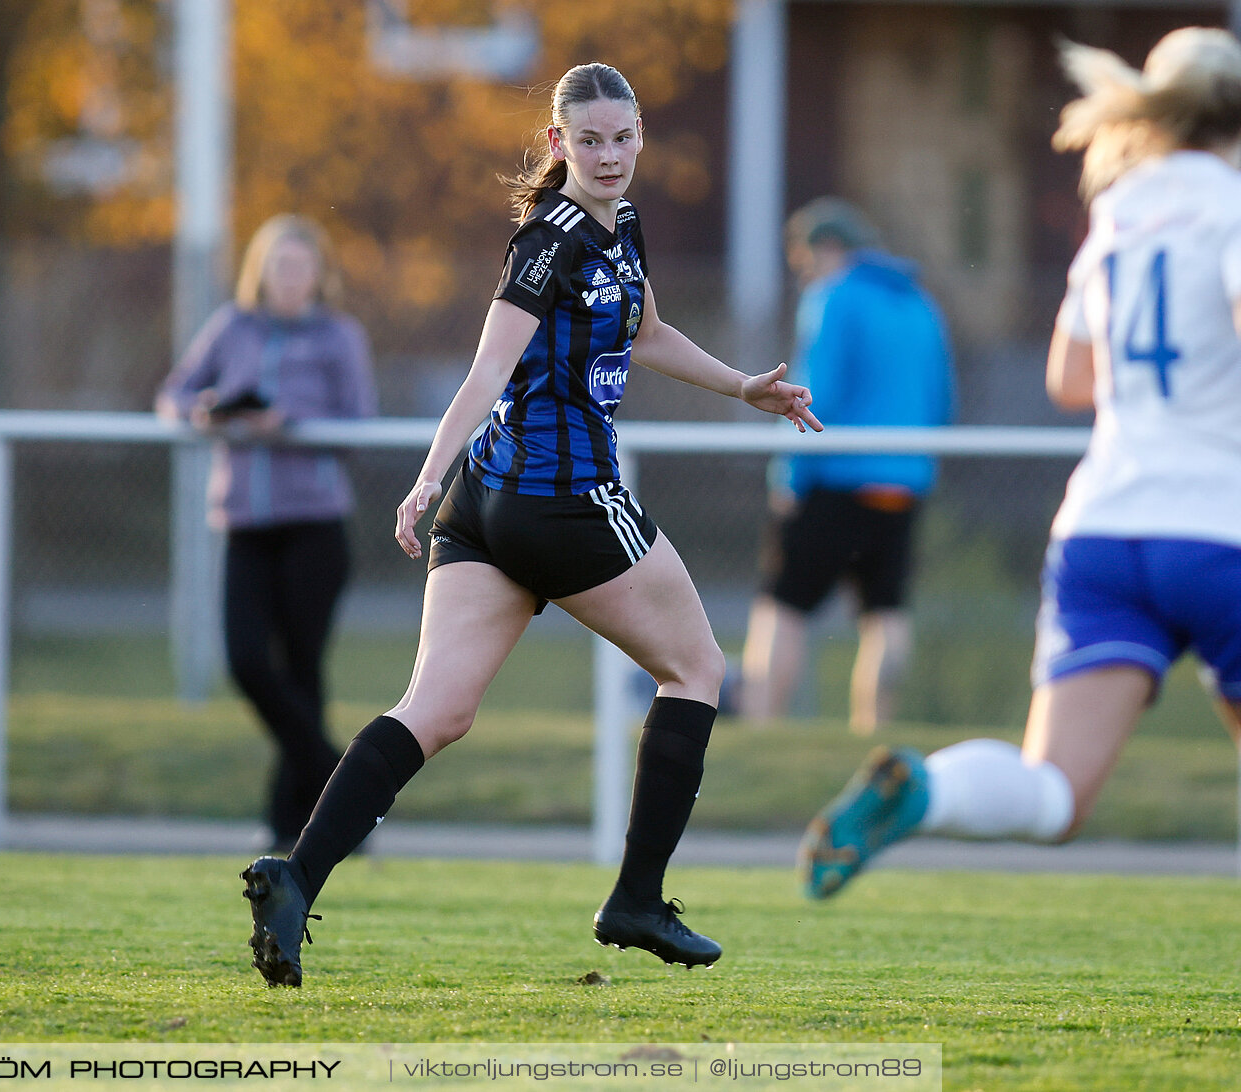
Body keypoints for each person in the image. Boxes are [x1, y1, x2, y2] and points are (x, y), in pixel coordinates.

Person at [239, 62, 822, 987]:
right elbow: (484, 370)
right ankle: (635, 898)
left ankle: (295, 876)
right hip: (560, 498)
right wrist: (424, 476)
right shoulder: (546, 242)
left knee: (437, 710)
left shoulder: (620, 224)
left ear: (639, 136)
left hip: (491, 504)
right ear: (558, 145)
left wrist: (743, 385)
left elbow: (648, 332)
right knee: (700, 668)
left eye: (624, 136)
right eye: (589, 140)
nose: (611, 155)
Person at [800, 27, 1241, 900]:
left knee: (1053, 794)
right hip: (1223, 529)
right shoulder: (1232, 207)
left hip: (1107, 531)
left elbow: (1070, 376)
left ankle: (926, 790)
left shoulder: (1119, 213)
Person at [157, 215, 377, 854]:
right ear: (261, 269)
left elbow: (359, 423)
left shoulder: (339, 336)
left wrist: (293, 424)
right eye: (280, 265)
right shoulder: (232, 326)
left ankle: (291, 829)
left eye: (301, 266)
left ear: (318, 275)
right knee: (249, 662)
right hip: (246, 524)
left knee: (304, 671)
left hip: (314, 525)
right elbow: (174, 393)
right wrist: (204, 413)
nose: (290, 278)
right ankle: (347, 783)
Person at [739, 199, 954, 734]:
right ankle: (872, 735)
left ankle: (761, 731)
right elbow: (942, 399)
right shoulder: (921, 305)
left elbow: (814, 397)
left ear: (828, 249)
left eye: (805, 263)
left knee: (782, 608)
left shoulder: (833, 298)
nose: (805, 276)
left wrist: (787, 479)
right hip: (903, 484)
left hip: (835, 482)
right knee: (886, 616)